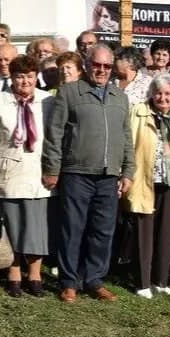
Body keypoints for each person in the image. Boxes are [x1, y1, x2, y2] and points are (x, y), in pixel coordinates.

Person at [42, 45, 134, 303]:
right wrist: (52, 168)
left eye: (107, 66)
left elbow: (126, 137)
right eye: (97, 65)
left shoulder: (120, 97)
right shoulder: (70, 92)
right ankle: (70, 282)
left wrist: (127, 170)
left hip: (108, 175)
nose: (102, 70)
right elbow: (55, 132)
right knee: (73, 229)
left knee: (103, 231)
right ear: (87, 64)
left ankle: (94, 280)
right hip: (76, 172)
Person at [0, 55, 53, 298]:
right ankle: (13, 272)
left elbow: (55, 140)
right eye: (20, 76)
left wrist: (54, 170)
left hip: (38, 173)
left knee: (36, 227)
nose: (25, 81)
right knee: (12, 226)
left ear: (36, 77)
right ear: (11, 77)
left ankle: (34, 274)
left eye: (30, 76)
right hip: (8, 173)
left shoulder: (47, 101)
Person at [123, 73, 170, 299]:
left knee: (168, 231)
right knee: (143, 232)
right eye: (158, 93)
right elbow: (128, 143)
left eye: (168, 94)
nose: (163, 97)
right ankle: (142, 282)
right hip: (144, 179)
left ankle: (162, 279)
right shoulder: (138, 112)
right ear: (151, 94)